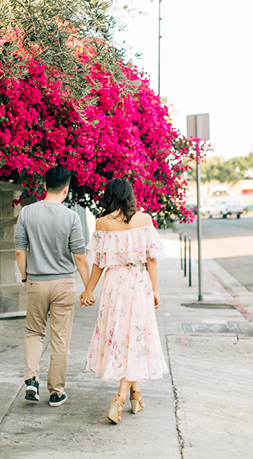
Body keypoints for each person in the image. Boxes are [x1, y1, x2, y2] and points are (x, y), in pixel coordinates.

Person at [81, 178, 168, 424]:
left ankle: (136, 393)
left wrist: (89, 290)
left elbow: (98, 262)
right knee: (135, 338)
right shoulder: (144, 220)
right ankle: (120, 398)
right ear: (130, 196)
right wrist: (156, 290)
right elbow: (151, 259)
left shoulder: (102, 223)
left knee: (122, 337)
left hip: (113, 285)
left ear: (108, 196)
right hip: (138, 284)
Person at [14, 166, 91, 407]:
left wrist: (26, 278)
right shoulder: (71, 217)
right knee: (60, 340)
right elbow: (79, 256)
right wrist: (89, 288)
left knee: (34, 333)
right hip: (64, 285)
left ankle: (31, 381)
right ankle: (56, 392)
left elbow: (19, 251)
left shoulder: (27, 213)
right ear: (66, 190)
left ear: (44, 185)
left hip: (36, 281)